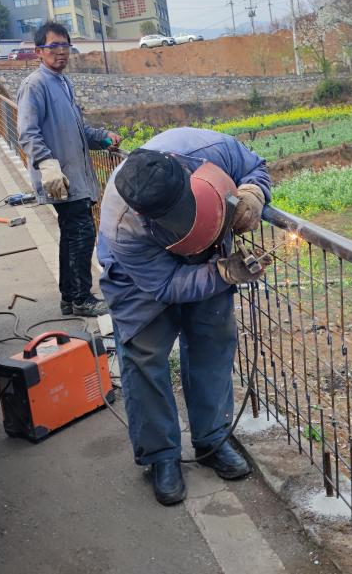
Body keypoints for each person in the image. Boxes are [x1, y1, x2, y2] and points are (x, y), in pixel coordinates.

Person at [97, 127, 270, 505]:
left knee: (213, 339)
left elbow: (256, 166)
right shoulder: (122, 225)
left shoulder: (207, 149)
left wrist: (255, 193)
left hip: (208, 251)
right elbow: (167, 286)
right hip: (140, 277)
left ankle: (211, 439)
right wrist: (222, 274)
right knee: (145, 356)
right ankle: (161, 456)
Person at [16, 20, 120, 318]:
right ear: (39, 51)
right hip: (61, 178)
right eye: (54, 47)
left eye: (65, 46)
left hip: (75, 174)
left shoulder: (63, 83)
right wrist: (47, 164)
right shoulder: (35, 85)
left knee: (72, 236)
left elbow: (78, 129)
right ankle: (81, 298)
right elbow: (27, 132)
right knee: (82, 234)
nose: (61, 52)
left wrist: (102, 138)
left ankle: (69, 297)